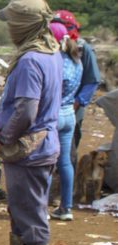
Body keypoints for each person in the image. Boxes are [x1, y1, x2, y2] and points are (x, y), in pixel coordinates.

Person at [0, 0, 62, 245]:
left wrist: (5, 137)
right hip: (42, 144)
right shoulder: (50, 51)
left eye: (13, 22)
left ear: (24, 25)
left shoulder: (31, 59)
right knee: (19, 208)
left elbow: (26, 111)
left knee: (30, 211)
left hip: (28, 149)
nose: (8, 29)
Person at [51, 10, 101, 154]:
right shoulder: (50, 47)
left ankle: (65, 175)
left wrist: (77, 103)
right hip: (51, 107)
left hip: (72, 107)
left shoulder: (83, 48)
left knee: (68, 148)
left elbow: (92, 80)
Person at [47, 22, 82, 221]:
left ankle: (40, 207)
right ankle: (66, 208)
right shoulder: (77, 60)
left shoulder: (54, 60)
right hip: (70, 114)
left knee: (47, 163)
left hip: (54, 114)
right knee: (65, 163)